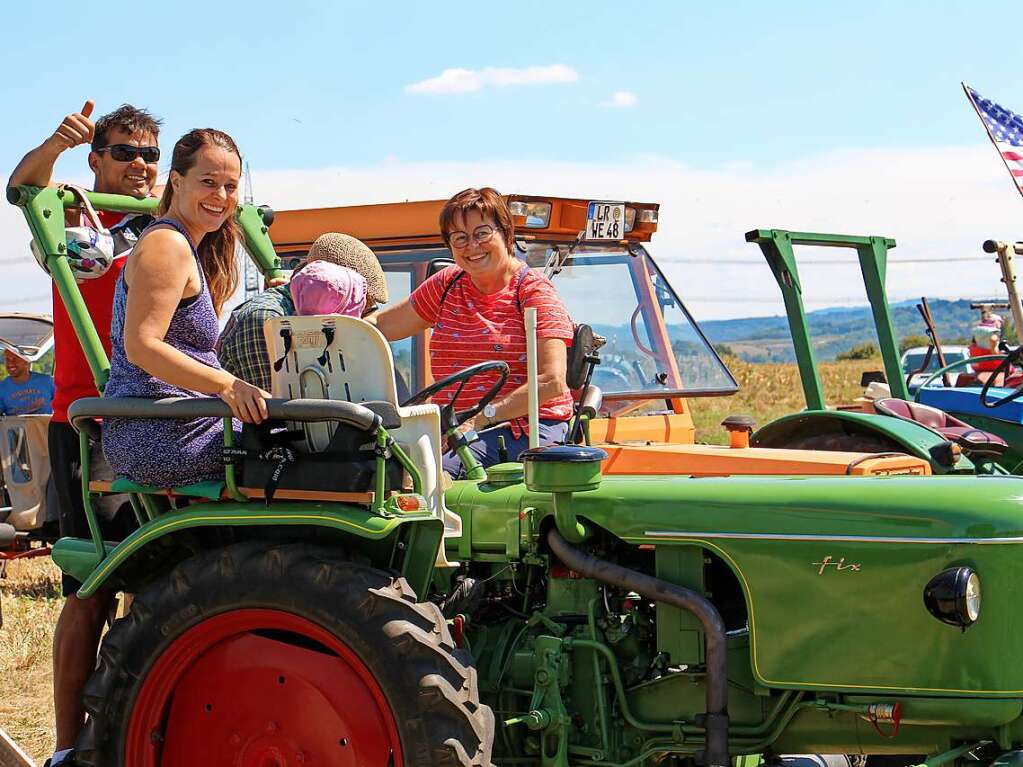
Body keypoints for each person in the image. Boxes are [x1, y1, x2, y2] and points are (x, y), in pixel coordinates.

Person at [8, 101, 163, 766]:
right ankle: (68, 749)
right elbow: (21, 187)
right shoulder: (76, 219)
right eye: (124, 152)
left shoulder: (167, 229)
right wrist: (55, 146)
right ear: (97, 158)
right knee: (89, 586)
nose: (138, 165)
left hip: (161, 419)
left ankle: (136, 727)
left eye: (150, 154)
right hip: (87, 416)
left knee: (158, 578)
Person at [102, 128, 270, 488]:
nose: (221, 196)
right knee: (305, 451)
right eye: (209, 182)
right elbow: (142, 345)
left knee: (302, 434)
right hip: (161, 430)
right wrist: (228, 385)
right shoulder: (166, 244)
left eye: (230, 185)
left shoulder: (187, 245)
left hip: (182, 418)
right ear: (176, 182)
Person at [373, 187, 574, 476]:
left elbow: (552, 381)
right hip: (454, 429)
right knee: (377, 469)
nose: (472, 246)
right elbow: (380, 327)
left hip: (523, 427)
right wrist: (320, 321)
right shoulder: (447, 285)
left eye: (482, 233)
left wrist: (482, 418)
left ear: (506, 233)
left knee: (431, 478)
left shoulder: (532, 291)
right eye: (460, 238)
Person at [218, 233, 387, 392]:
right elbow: (277, 409)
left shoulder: (299, 320)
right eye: (358, 307)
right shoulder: (267, 319)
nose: (357, 318)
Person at [0, 349, 54, 415]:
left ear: (27, 361)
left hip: (44, 424)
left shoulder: (47, 381)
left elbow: (64, 405)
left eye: (15, 358)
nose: (10, 363)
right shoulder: (2, 388)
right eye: (7, 359)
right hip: (16, 425)